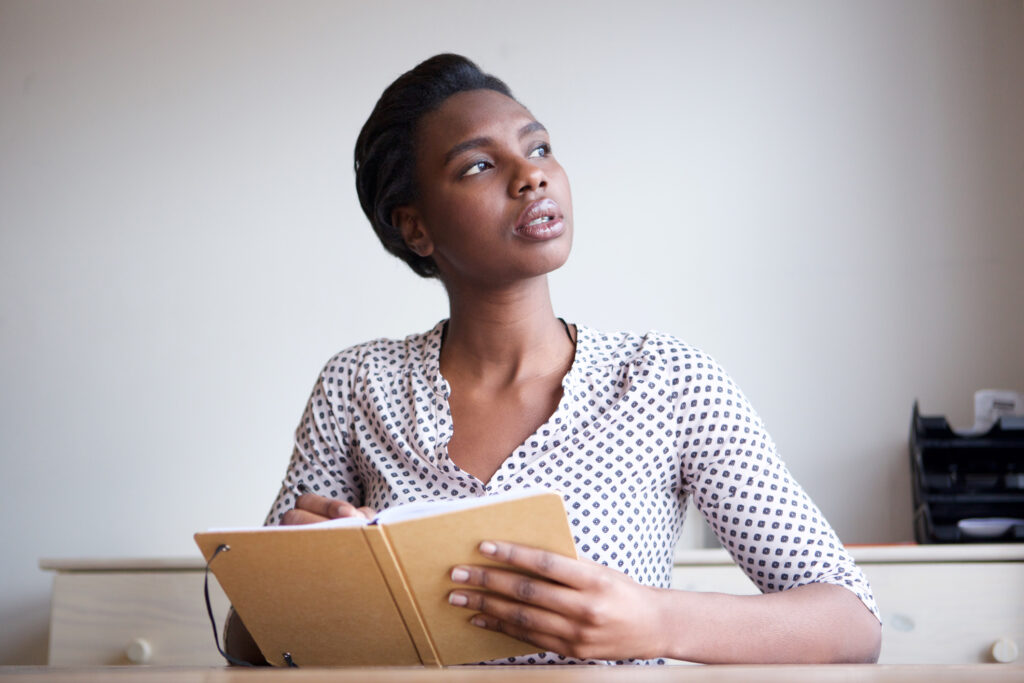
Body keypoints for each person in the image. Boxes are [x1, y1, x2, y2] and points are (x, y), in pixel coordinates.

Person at [227, 53, 882, 665]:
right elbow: (248, 642)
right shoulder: (356, 385)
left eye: (538, 148)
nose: (531, 174)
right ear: (415, 226)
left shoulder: (665, 379)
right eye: (479, 166)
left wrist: (659, 620)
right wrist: (303, 569)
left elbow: (852, 622)